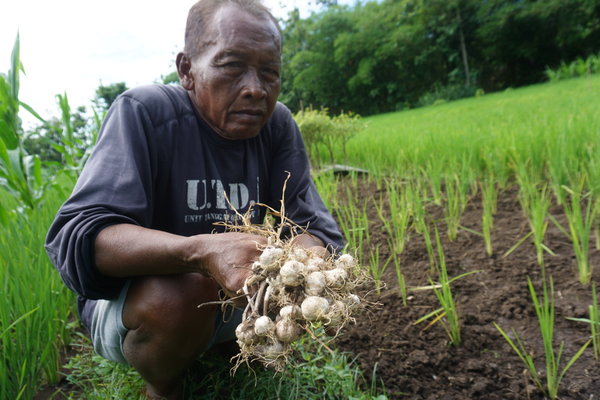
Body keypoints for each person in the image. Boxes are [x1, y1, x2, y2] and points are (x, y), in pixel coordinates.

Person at [45, 0, 344, 399]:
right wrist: (199, 251)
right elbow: (80, 237)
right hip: (140, 302)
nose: (256, 88)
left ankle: (234, 351)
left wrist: (306, 264)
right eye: (232, 65)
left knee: (292, 276)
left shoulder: (276, 125)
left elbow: (311, 226)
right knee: (180, 295)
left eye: (270, 72)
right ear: (187, 69)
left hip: (234, 291)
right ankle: (164, 385)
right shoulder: (144, 112)